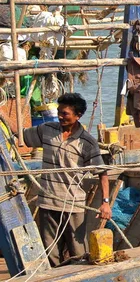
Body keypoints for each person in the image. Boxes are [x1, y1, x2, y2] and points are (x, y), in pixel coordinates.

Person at [22, 93, 111, 267]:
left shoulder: (87, 142)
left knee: (79, 253)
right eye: (59, 112)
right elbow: (21, 137)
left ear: (78, 115)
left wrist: (105, 202)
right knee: (51, 253)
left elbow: (102, 173)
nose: (60, 117)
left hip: (74, 205)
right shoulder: (47, 130)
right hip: (47, 202)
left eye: (65, 114)